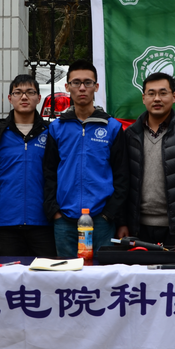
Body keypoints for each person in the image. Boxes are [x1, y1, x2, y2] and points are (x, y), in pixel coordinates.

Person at [43, 59, 128, 257]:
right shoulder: (56, 128)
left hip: (102, 220)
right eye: (76, 82)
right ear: (67, 87)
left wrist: (109, 214)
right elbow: (48, 172)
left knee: (101, 273)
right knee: (67, 273)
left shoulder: (112, 127)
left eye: (88, 83)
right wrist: (55, 212)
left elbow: (122, 175)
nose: (82, 88)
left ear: (96, 87)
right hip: (65, 220)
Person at [116, 72, 175, 246]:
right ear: (143, 98)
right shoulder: (130, 135)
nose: (157, 98)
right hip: (138, 228)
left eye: (163, 93)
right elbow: (122, 181)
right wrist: (122, 222)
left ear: (174, 96)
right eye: (151, 93)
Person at [0, 74, 56, 256]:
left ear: (39, 98)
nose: (24, 97)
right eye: (18, 92)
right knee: (9, 272)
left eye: (30, 92)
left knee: (46, 271)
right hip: (6, 222)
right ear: (9, 98)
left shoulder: (51, 133)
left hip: (43, 221)